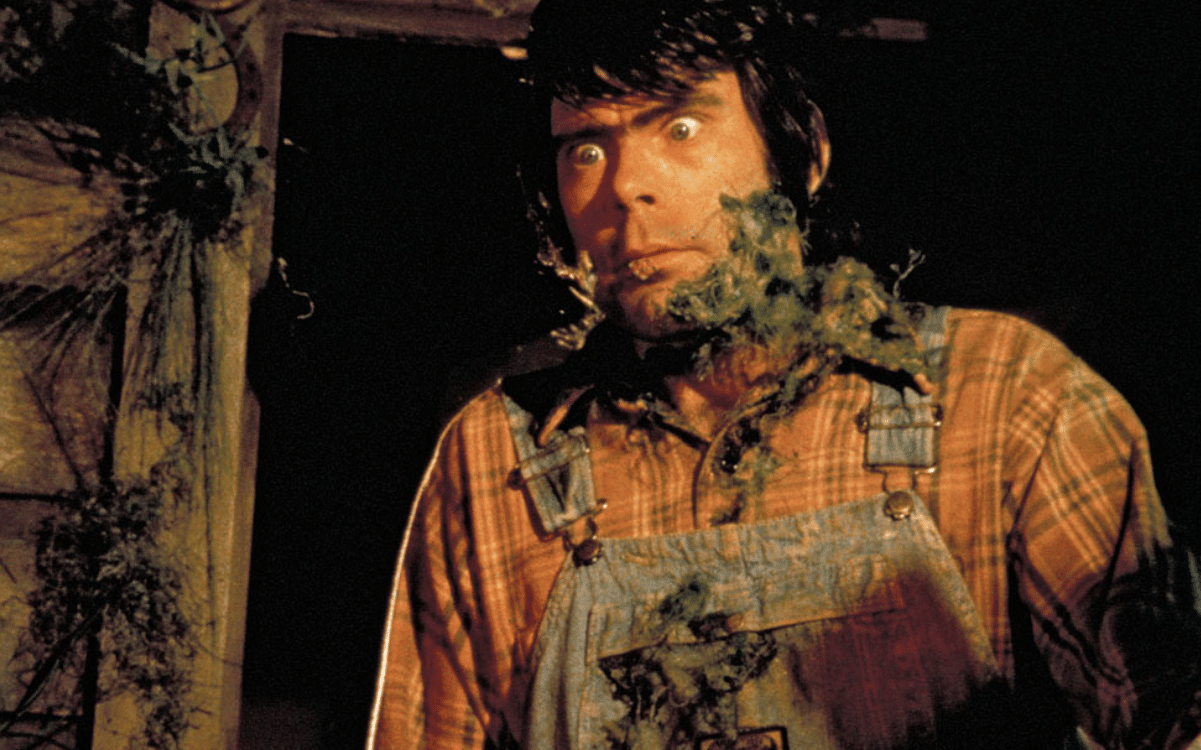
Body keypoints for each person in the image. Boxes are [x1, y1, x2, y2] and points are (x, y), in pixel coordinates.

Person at [366, 0, 1201, 748]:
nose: (624, 187)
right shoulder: (496, 463)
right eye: (585, 148)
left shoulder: (999, 396)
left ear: (801, 154)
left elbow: (1173, 706)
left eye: (679, 128)